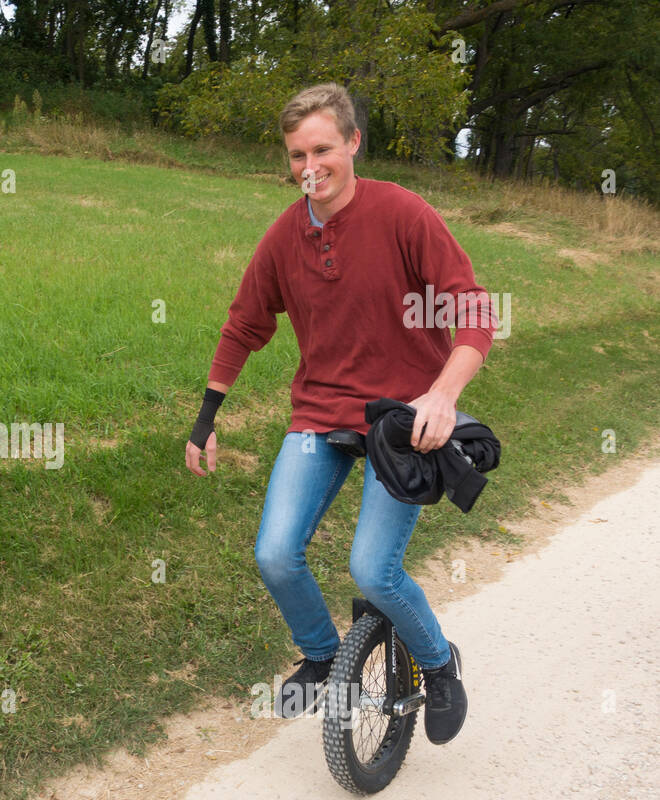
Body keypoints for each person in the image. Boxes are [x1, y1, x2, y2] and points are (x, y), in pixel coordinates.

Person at [184, 82, 498, 745]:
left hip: (402, 420)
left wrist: (442, 393)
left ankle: (440, 667)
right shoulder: (285, 235)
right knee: (274, 553)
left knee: (371, 569)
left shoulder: (403, 214)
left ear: (353, 143)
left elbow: (472, 309)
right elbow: (244, 323)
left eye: (322, 149)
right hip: (321, 414)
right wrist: (206, 416)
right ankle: (324, 654)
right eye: (297, 154)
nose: (309, 168)